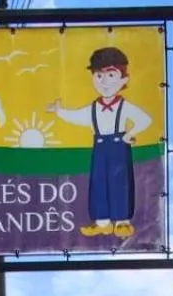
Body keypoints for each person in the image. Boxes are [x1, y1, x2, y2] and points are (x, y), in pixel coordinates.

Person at [48, 48, 152, 239]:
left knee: (120, 184)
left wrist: (130, 133)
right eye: (98, 75)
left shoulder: (124, 106)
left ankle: (122, 222)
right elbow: (76, 116)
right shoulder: (93, 107)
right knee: (99, 183)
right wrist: (59, 111)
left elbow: (145, 120)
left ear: (124, 80)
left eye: (111, 75)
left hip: (118, 146)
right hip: (100, 146)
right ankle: (102, 222)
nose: (104, 82)